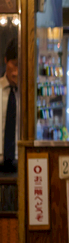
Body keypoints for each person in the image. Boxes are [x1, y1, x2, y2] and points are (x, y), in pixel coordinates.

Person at [0, 42, 18, 174]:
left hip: (20, 162)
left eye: (21, 65)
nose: (17, 71)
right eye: (14, 64)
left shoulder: (28, 96)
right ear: (6, 60)